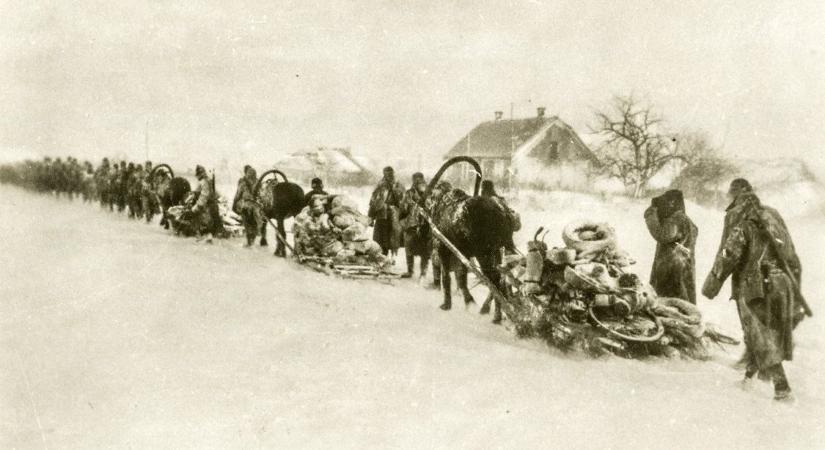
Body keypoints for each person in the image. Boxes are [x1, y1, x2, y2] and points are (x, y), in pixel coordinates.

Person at [702, 179, 806, 401]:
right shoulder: (772, 214)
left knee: (760, 335)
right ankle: (749, 377)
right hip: (782, 283)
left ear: (734, 196)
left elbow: (729, 255)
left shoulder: (738, 219)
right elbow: (790, 251)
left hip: (756, 285)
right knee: (764, 332)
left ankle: (782, 389)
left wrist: (712, 284)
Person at [644, 189, 698, 303]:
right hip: (683, 268)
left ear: (671, 203)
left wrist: (650, 214)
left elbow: (663, 235)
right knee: (684, 304)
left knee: (671, 305)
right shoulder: (686, 220)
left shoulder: (677, 219)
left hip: (672, 271)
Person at [399, 172, 431, 279]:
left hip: (425, 225)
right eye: (416, 180)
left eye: (420, 179)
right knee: (409, 248)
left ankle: (423, 273)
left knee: (425, 251)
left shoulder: (429, 193)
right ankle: (410, 271)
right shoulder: (409, 193)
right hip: (411, 225)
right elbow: (403, 209)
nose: (418, 182)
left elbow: (432, 207)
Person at [368, 166, 404, 257]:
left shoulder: (398, 185)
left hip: (394, 216)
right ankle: (383, 256)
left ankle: (392, 257)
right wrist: (371, 217)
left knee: (393, 239)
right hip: (382, 216)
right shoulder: (381, 186)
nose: (389, 176)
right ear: (384, 174)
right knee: (381, 240)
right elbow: (374, 201)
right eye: (387, 174)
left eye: (391, 173)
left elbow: (403, 201)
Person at [233, 165, 264, 247]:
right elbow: (261, 195)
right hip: (255, 207)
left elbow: (238, 195)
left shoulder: (243, 183)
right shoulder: (258, 182)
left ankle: (249, 242)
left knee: (247, 224)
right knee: (254, 224)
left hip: (245, 206)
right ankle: (252, 241)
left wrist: (234, 204)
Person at [191, 165, 214, 243]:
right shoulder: (207, 180)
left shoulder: (204, 182)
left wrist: (198, 205)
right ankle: (208, 237)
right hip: (208, 204)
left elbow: (204, 195)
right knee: (206, 221)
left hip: (204, 205)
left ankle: (202, 238)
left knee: (202, 221)